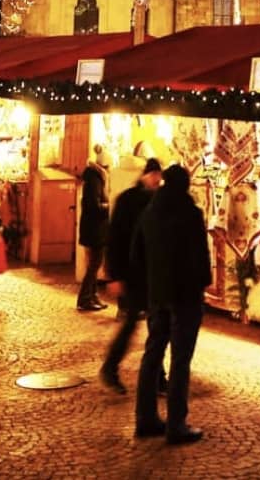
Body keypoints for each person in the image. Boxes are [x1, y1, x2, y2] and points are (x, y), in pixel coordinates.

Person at [130, 164, 210, 445]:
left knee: (152, 355)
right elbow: (201, 256)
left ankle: (145, 418)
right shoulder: (190, 213)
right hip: (185, 297)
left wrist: (147, 288)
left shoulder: (150, 213)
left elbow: (136, 255)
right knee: (180, 360)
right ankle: (176, 424)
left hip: (158, 295)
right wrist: (202, 284)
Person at [100, 157, 163, 393]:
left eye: (160, 175)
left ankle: (157, 377)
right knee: (133, 324)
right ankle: (110, 368)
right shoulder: (128, 200)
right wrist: (113, 275)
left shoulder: (157, 199)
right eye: (154, 174)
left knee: (156, 325)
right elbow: (114, 238)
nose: (157, 179)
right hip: (132, 273)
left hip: (151, 273)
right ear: (145, 175)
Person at [76, 145, 111, 312]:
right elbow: (94, 205)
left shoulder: (94, 178)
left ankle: (92, 295)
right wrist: (108, 206)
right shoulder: (95, 179)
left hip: (94, 228)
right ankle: (84, 298)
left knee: (94, 263)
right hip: (94, 229)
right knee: (94, 264)